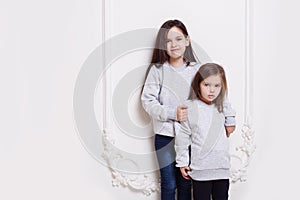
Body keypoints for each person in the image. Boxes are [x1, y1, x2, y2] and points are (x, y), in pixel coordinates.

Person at [141, 19, 235, 200]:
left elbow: (219, 91)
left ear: (187, 40)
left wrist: (229, 119)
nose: (173, 45)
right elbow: (147, 101)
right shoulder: (158, 70)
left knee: (186, 182)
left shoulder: (198, 69)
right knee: (169, 183)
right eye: (168, 41)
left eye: (178, 39)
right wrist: (171, 113)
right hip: (166, 137)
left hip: (193, 137)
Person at [175, 63, 234, 200]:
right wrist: (182, 162)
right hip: (201, 169)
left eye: (217, 86)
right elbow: (183, 136)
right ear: (198, 84)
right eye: (206, 85)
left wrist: (229, 116)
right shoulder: (190, 107)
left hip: (221, 168)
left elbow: (231, 126)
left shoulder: (222, 107)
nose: (211, 90)